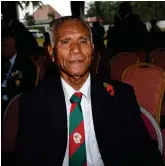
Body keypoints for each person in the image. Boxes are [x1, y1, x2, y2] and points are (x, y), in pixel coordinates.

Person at [15, 16, 164, 166]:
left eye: (83, 41)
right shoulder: (33, 102)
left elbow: (146, 154)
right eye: (65, 42)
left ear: (92, 49)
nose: (76, 49)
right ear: (51, 52)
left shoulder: (120, 96)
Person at [1, 27, 37, 116]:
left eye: (6, 40)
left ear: (15, 42)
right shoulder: (3, 63)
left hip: (13, 109)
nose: (3, 43)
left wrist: (4, 98)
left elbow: (26, 91)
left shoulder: (26, 64)